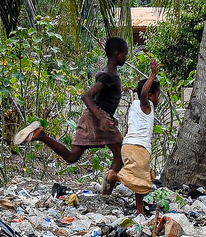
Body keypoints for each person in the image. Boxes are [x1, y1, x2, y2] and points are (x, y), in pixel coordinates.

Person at [13, 36, 129, 193]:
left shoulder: (108, 74)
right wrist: (100, 118)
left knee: (72, 157)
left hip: (92, 117)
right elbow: (87, 96)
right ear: (117, 54)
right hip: (99, 118)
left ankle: (41, 135)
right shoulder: (109, 76)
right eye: (125, 54)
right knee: (120, 153)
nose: (126, 57)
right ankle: (106, 192)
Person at [110, 59, 160, 215]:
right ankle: (116, 176)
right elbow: (144, 94)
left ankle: (140, 212)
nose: (158, 99)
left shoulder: (135, 105)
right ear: (150, 95)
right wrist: (153, 74)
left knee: (141, 183)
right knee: (141, 182)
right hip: (139, 148)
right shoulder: (146, 105)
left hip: (128, 147)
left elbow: (141, 93)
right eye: (158, 95)